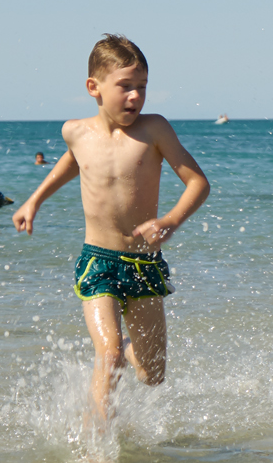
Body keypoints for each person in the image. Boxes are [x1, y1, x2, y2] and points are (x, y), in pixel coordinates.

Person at [13, 35, 210, 431]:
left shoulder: (154, 130)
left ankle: (128, 355)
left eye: (142, 87)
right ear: (94, 87)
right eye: (125, 86)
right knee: (109, 354)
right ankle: (99, 445)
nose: (135, 96)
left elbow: (198, 183)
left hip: (143, 264)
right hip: (98, 262)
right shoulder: (75, 131)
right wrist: (34, 200)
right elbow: (74, 162)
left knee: (152, 374)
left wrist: (170, 221)